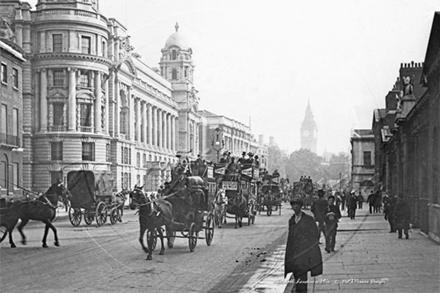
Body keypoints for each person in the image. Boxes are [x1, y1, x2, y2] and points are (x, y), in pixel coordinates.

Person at [285, 197, 323, 293]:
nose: (296, 207)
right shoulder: (292, 220)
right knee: (297, 274)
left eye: (297, 205)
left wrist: (309, 244)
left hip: (305, 253)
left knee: (302, 275)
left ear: (301, 207)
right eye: (294, 205)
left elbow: (316, 233)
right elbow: (290, 238)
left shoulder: (308, 219)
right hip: (294, 253)